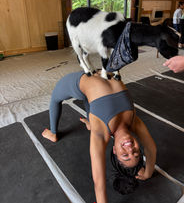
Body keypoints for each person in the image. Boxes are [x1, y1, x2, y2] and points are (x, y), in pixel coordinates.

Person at [42, 71, 156, 203]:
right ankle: (90, 122)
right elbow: (151, 148)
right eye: (136, 154)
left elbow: (99, 183)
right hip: (100, 70)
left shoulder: (100, 134)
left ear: (114, 150)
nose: (130, 150)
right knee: (90, 102)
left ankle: (53, 134)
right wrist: (148, 173)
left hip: (81, 80)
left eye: (125, 156)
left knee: (55, 97)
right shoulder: (133, 121)